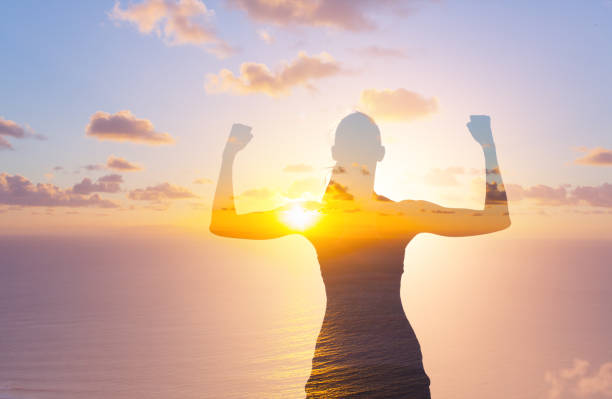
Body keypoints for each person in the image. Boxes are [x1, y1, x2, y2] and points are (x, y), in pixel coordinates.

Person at [210, 112, 510, 398]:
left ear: (335, 152)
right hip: (397, 366)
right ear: (380, 153)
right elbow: (496, 218)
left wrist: (229, 156)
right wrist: (487, 146)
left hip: (337, 367)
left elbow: (224, 223)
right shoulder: (402, 214)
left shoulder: (317, 216)